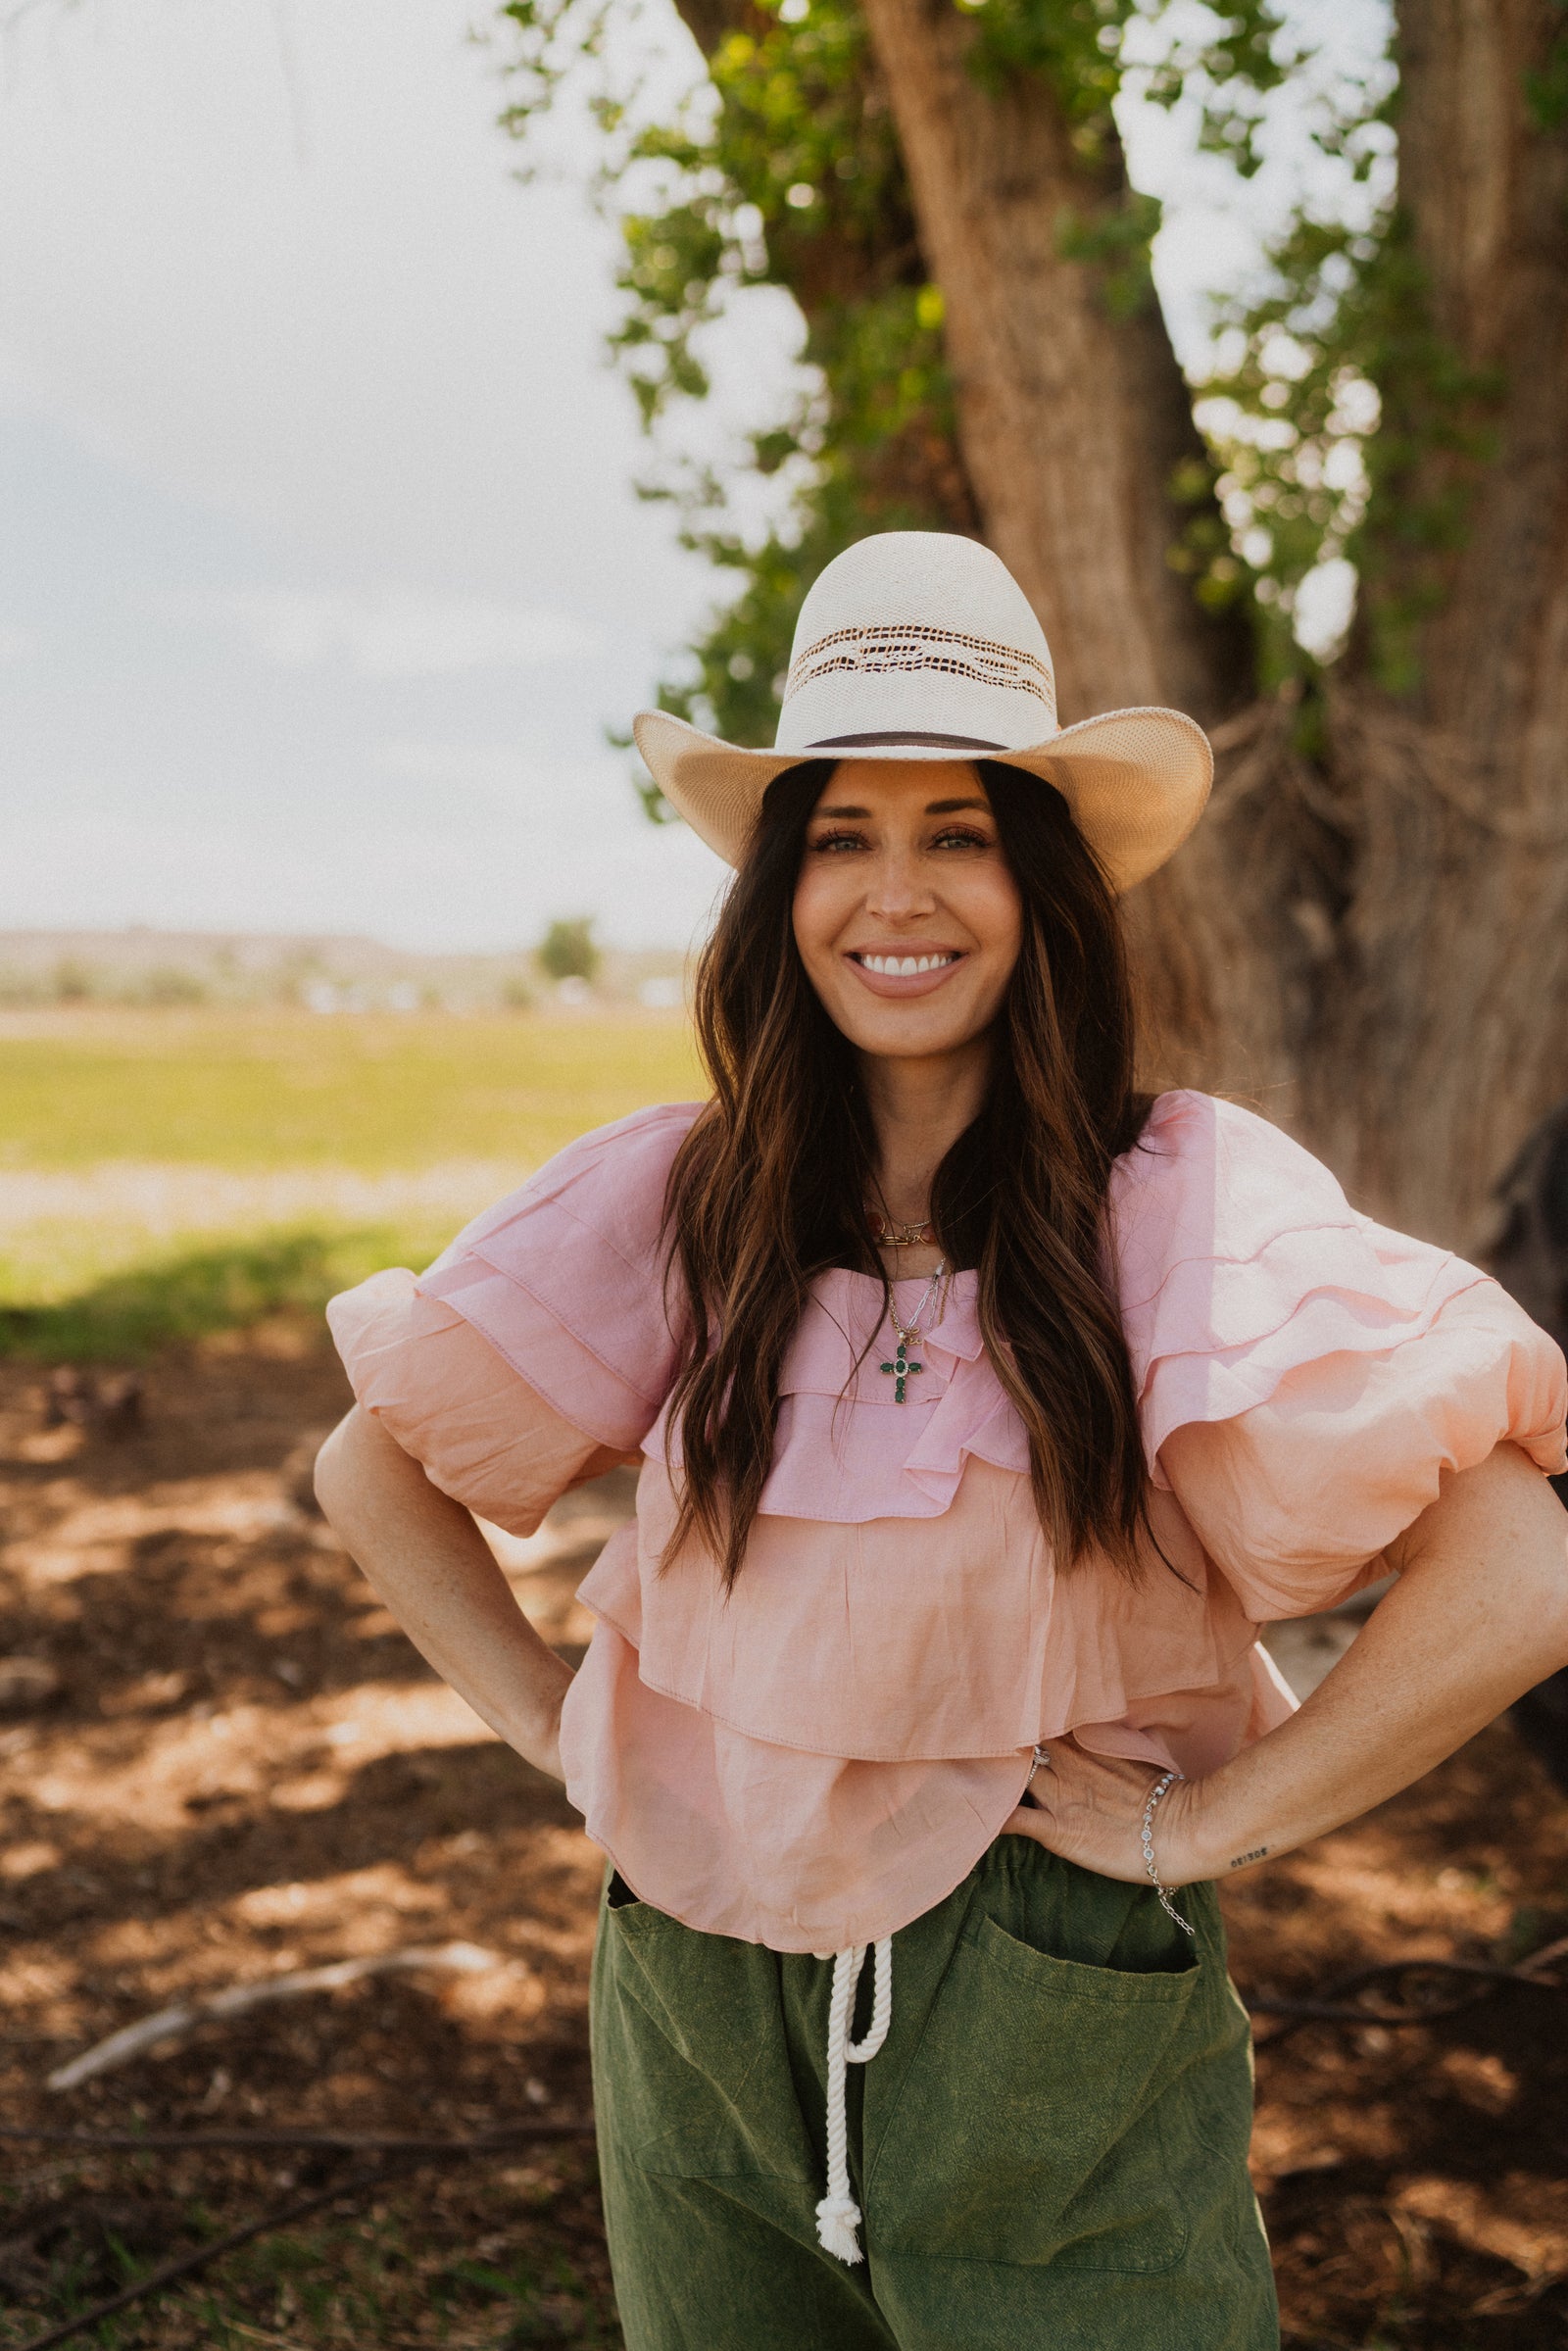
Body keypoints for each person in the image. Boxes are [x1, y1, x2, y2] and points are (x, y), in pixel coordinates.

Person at [315, 531, 1568, 2351]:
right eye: (841, 835)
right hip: (690, 1987)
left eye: (957, 832)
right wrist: (552, 1724)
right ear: (781, 890)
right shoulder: (691, 1195)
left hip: (1044, 1988)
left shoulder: (1173, 1206)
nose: (895, 893)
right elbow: (377, 1463)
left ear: (1040, 881)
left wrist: (1211, 1826)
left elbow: (1521, 1567)